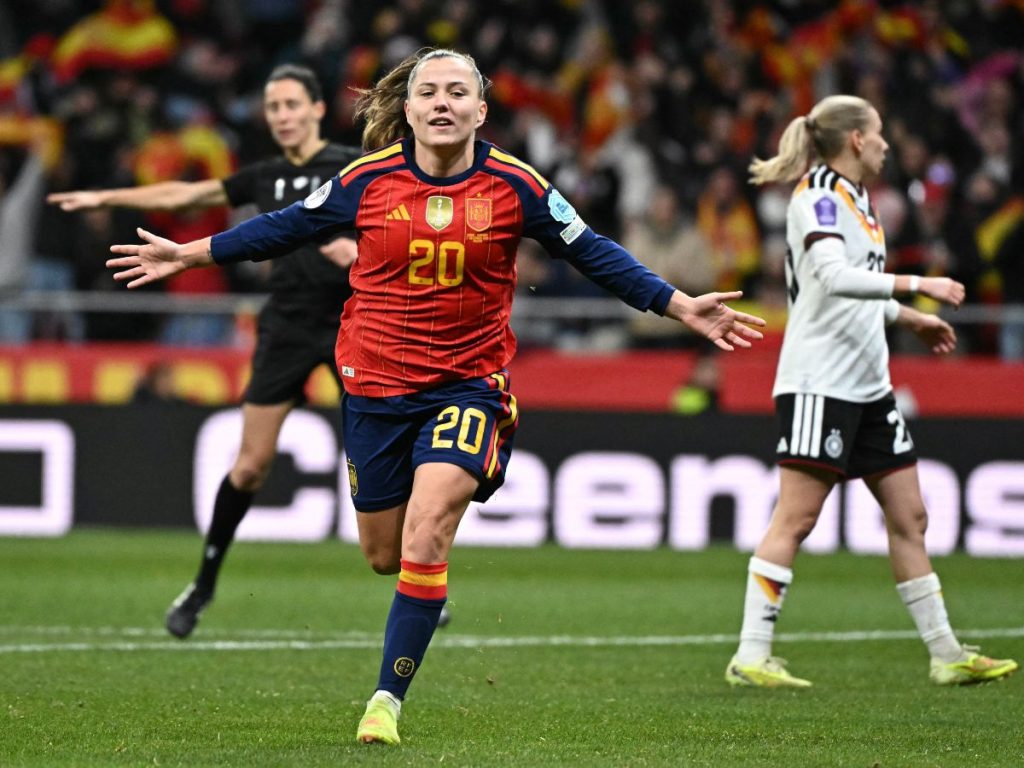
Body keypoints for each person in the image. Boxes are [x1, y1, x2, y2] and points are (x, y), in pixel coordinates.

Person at [105, 48, 766, 745]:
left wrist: (676, 303)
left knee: (428, 530)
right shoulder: (366, 178)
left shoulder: (519, 185)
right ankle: (412, 601)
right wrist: (190, 253)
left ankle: (385, 701)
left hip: (468, 387)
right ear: (410, 109)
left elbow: (592, 250)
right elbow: (285, 227)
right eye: (429, 92)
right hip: (373, 389)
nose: (443, 102)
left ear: (482, 110)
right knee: (384, 554)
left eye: (458, 92)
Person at [48, 64, 384, 638]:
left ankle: (420, 575)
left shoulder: (355, 168)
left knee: (377, 458)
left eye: (291, 105)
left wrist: (359, 252)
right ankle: (203, 583)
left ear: (317, 109)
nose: (281, 116)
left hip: (355, 323)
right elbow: (185, 194)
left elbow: (395, 228)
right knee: (251, 465)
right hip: (285, 325)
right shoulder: (265, 175)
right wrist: (109, 192)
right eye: (273, 107)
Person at [724, 95, 1018, 689]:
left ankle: (946, 654)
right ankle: (751, 654)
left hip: (869, 385)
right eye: (879, 132)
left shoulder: (859, 201)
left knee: (911, 516)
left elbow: (857, 289)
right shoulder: (819, 198)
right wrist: (919, 282)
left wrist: (911, 317)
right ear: (856, 139)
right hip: (819, 382)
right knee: (798, 518)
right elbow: (832, 278)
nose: (886, 143)